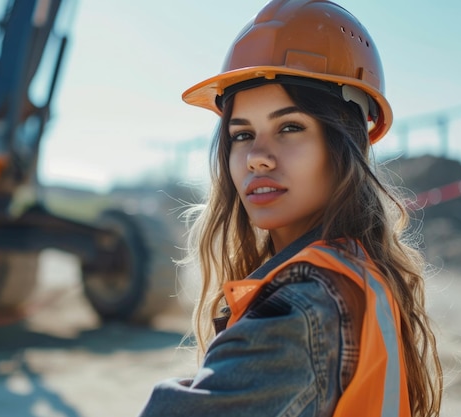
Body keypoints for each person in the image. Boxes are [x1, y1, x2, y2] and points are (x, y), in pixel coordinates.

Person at [138, 0, 442, 416]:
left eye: (289, 127)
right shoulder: (356, 274)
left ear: (344, 146)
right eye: (242, 135)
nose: (257, 157)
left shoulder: (303, 305)